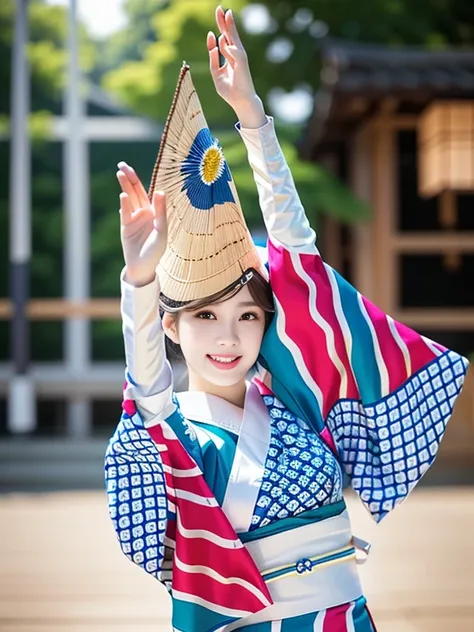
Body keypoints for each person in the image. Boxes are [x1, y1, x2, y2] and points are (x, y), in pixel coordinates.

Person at [105, 7, 469, 632]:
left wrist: (251, 116)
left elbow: (297, 253)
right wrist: (140, 282)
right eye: (205, 317)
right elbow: (147, 396)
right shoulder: (176, 436)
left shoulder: (293, 400)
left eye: (248, 315)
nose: (229, 336)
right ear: (169, 327)